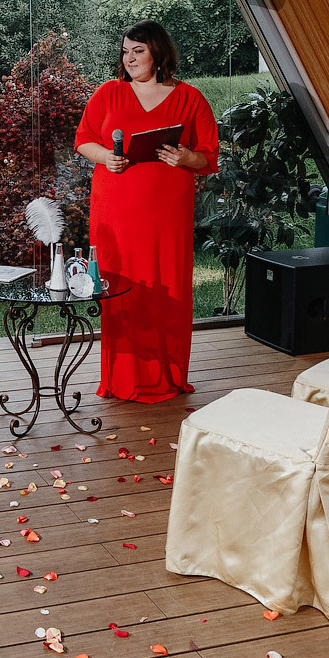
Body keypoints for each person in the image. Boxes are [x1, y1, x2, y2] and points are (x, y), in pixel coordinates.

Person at [73, 21, 220, 402]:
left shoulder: (190, 98)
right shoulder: (108, 93)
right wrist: (107, 156)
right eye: (125, 51)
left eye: (138, 51)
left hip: (167, 214)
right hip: (116, 211)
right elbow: (83, 140)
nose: (130, 58)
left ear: (158, 52)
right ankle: (121, 376)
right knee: (121, 289)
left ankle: (168, 376)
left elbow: (209, 155)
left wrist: (187, 156)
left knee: (166, 285)